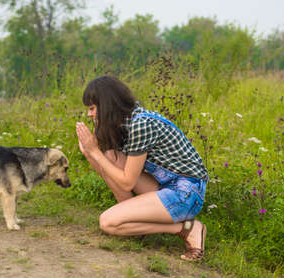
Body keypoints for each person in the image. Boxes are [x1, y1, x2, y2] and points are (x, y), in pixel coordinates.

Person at [75, 75, 208, 261]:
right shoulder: (124, 124)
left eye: (92, 108)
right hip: (167, 186)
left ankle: (187, 228)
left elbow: (127, 182)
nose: (89, 114)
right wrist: (91, 154)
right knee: (109, 156)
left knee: (107, 222)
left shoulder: (140, 124)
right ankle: (134, 223)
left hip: (187, 193)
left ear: (106, 105)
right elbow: (112, 171)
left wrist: (94, 151)